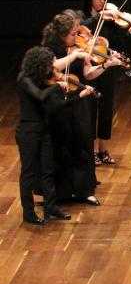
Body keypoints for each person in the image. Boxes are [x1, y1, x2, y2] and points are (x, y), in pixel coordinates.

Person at [15, 46, 93, 224]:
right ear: (40, 64)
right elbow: (41, 97)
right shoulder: (25, 79)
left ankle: (51, 208)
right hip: (29, 132)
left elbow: (56, 107)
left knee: (48, 170)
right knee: (28, 173)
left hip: (44, 130)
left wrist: (79, 95)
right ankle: (28, 213)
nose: (53, 68)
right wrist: (57, 86)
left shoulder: (42, 79)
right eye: (50, 64)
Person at [41, 13, 111, 206]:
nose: (77, 37)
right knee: (62, 144)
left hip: (79, 100)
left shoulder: (78, 47)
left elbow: (87, 74)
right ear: (62, 34)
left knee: (83, 142)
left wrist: (106, 64)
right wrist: (73, 56)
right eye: (73, 34)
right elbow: (53, 66)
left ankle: (84, 190)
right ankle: (62, 191)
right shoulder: (50, 48)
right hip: (59, 102)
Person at [78, 0, 131, 166]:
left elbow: (119, 41)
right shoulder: (83, 17)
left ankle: (103, 149)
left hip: (107, 67)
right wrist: (99, 16)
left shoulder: (110, 19)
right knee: (90, 110)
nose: (102, 1)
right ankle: (91, 151)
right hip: (89, 69)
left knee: (106, 109)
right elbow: (82, 28)